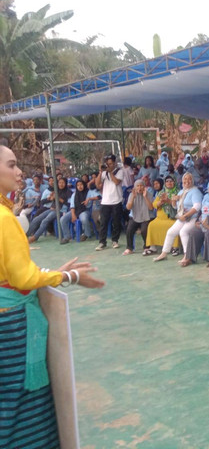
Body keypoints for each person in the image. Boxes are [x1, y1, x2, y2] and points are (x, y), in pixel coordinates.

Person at [0, 144, 104, 449]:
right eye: (12, 165)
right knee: (22, 406)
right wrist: (68, 276)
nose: (19, 172)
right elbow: (21, 278)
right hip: (13, 327)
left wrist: (49, 272)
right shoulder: (4, 219)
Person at [154, 173, 203, 263]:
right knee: (170, 232)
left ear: (192, 180)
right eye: (185, 179)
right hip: (182, 217)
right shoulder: (181, 192)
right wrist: (173, 200)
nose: (186, 181)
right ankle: (164, 253)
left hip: (192, 218)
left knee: (183, 232)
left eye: (189, 179)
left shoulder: (195, 191)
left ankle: (187, 256)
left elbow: (197, 206)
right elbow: (176, 207)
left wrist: (186, 215)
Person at [182, 179, 209, 267]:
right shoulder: (205, 198)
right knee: (194, 232)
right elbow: (201, 212)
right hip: (204, 223)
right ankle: (190, 258)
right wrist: (198, 221)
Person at [27, 177, 72, 243]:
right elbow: (48, 200)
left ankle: (35, 237)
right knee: (37, 219)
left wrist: (59, 199)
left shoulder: (69, 192)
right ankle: (26, 235)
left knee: (45, 221)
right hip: (52, 209)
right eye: (59, 183)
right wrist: (51, 197)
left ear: (66, 184)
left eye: (63, 183)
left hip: (61, 211)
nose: (61, 184)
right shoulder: (56, 191)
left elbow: (69, 204)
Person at [144, 175, 180, 256]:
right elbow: (154, 204)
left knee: (174, 225)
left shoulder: (178, 192)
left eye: (171, 181)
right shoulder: (161, 193)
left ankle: (175, 247)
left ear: (174, 182)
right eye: (167, 181)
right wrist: (160, 203)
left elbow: (180, 205)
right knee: (151, 225)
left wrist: (169, 201)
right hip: (160, 218)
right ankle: (153, 247)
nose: (169, 183)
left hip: (173, 217)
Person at [95, 154, 124, 251]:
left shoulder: (120, 171)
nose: (109, 165)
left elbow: (116, 182)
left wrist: (110, 172)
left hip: (116, 200)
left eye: (111, 164)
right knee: (103, 223)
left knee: (116, 223)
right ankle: (102, 242)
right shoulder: (104, 173)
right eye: (107, 164)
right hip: (105, 201)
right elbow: (98, 185)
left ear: (115, 163)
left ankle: (115, 240)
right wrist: (100, 172)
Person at [122, 179, 154, 255]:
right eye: (138, 186)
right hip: (135, 216)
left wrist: (145, 197)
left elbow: (151, 208)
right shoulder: (131, 195)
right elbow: (128, 208)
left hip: (146, 216)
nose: (139, 188)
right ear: (135, 187)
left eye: (141, 185)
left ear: (144, 187)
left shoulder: (149, 194)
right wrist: (133, 197)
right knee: (129, 229)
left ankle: (146, 247)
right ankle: (129, 248)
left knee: (144, 230)